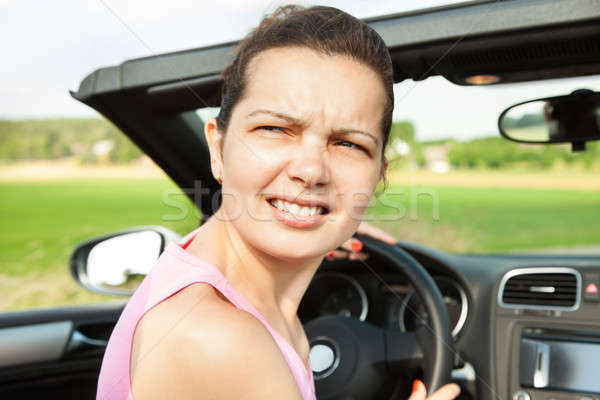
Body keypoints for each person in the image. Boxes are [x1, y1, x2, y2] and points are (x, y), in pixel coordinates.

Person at [96, 5, 461, 400]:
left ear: (378, 175)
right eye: (274, 129)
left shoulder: (202, 270)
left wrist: (319, 228)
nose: (311, 171)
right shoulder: (222, 340)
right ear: (218, 149)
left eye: (348, 144)